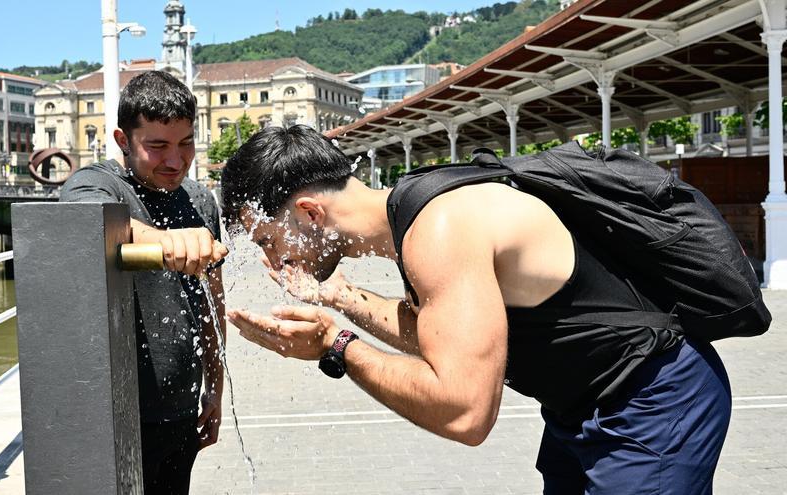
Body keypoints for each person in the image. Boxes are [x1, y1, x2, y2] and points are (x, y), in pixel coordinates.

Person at [220, 125, 732, 494]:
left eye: (269, 239)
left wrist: (336, 346)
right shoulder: (414, 210)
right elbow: (444, 340)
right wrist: (338, 298)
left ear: (310, 211)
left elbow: (465, 411)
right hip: (586, 407)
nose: (273, 258)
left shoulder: (439, 229)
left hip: (652, 398)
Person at [60, 70, 228, 494]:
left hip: (183, 407)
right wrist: (164, 242)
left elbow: (213, 300)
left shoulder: (200, 199)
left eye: (186, 142)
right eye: (157, 146)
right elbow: (88, 218)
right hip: (118, 413)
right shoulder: (94, 184)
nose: (176, 160)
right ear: (122, 140)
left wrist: (215, 387)